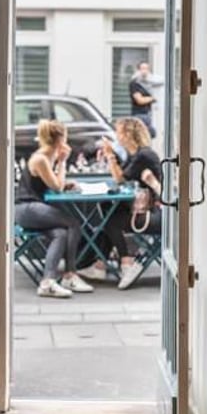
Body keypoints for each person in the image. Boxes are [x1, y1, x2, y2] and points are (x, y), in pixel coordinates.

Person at [78, 116, 162, 290]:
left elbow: (119, 178)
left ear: (127, 134)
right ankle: (100, 265)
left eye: (118, 132)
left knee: (111, 219)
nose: (116, 136)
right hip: (146, 210)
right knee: (107, 208)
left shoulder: (144, 155)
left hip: (156, 215)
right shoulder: (136, 154)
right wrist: (111, 155)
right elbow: (122, 174)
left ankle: (126, 262)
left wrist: (110, 155)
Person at [15, 120, 94, 298]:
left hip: (33, 208)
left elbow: (53, 183)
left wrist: (64, 182)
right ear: (61, 139)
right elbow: (57, 186)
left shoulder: (46, 156)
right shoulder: (41, 159)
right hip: (26, 208)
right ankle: (70, 275)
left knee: (61, 233)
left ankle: (47, 282)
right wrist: (62, 161)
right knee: (73, 224)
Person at [129, 61, 158, 139]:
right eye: (142, 68)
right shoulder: (135, 83)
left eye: (147, 69)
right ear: (138, 70)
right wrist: (152, 98)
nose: (145, 71)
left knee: (149, 136)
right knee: (149, 135)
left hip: (148, 114)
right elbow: (140, 100)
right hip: (139, 114)